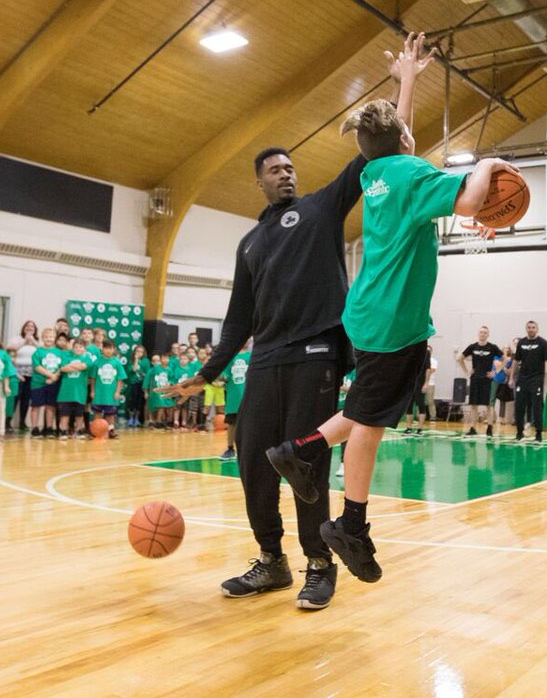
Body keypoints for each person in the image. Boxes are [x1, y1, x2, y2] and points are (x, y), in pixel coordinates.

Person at [160, 33, 432, 610]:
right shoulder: (249, 242)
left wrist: (403, 85)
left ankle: (318, 563)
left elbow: (386, 153)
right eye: (275, 170)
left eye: (290, 167)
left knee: (305, 462)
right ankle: (270, 561)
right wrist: (206, 373)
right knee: (257, 463)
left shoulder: (322, 207)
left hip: (316, 354)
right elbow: (237, 321)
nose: (286, 174)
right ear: (258, 181)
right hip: (264, 362)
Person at [261, 57, 518, 586]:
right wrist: (491, 163)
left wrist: (406, 83)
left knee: (363, 410)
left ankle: (300, 452)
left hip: (370, 311)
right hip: (394, 320)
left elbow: (393, 138)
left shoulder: (378, 171)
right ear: (406, 137)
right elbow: (470, 200)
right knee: (371, 423)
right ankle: (350, 521)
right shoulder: (410, 171)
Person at [512, 321, 547, 443]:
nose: (531, 329)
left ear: (537, 329)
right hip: (522, 379)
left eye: (533, 327)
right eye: (529, 327)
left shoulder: (543, 343)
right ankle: (519, 432)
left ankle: (538, 433)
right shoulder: (521, 342)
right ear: (526, 329)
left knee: (537, 406)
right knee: (519, 406)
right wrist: (511, 378)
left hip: (536, 379)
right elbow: (515, 361)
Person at [459, 327, 502, 437]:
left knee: (489, 406)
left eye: (485, 333)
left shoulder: (492, 347)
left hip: (487, 380)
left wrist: (495, 371)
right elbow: (459, 358)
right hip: (475, 379)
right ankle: (473, 428)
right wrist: (467, 371)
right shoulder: (473, 347)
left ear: (488, 335)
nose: (483, 334)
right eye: (481, 332)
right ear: (478, 334)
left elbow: (505, 358)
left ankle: (490, 428)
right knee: (474, 405)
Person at [220, 342, 252, 461]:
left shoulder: (251, 356)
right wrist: (220, 378)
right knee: (232, 423)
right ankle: (230, 449)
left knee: (249, 424)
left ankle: (247, 449)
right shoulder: (231, 356)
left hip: (248, 395)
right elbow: (224, 374)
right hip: (233, 396)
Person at [55, 339, 90, 440]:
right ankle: (63, 431)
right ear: (73, 348)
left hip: (80, 392)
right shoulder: (67, 357)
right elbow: (63, 368)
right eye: (76, 347)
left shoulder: (87, 358)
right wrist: (75, 367)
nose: (78, 349)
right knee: (65, 413)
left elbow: (84, 366)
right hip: (66, 391)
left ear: (84, 349)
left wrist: (70, 366)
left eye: (81, 347)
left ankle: (79, 430)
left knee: (79, 413)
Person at [91, 340, 126, 438]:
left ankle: (111, 430)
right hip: (99, 393)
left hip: (111, 394)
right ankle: (96, 431)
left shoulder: (117, 362)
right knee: (97, 413)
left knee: (110, 414)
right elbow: (93, 378)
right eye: (106, 348)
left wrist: (117, 392)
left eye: (110, 348)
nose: (108, 350)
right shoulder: (97, 362)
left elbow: (120, 379)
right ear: (102, 349)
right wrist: (93, 391)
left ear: (114, 349)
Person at [13, 321, 39, 431]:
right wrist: (25, 341)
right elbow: (10, 348)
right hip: (18, 372)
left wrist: (33, 341)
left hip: (32, 373)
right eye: (27, 326)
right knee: (15, 397)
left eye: (32, 326)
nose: (29, 328)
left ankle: (22, 421)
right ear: (24, 328)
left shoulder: (37, 341)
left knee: (26, 399)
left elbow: (42, 351)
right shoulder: (18, 339)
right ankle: (8, 420)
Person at [404, 346, 437, 435]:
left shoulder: (426, 353)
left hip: (420, 383)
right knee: (408, 406)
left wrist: (426, 383)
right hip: (410, 382)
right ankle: (409, 427)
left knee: (421, 405)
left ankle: (420, 428)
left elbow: (428, 369)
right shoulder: (409, 351)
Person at [491, 345, 515, 430]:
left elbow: (509, 371)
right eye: (505, 348)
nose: (506, 349)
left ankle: (505, 418)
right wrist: (503, 364)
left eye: (508, 348)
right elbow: (496, 366)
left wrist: (503, 366)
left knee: (505, 400)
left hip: (504, 381)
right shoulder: (497, 357)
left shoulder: (510, 359)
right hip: (495, 380)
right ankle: (494, 417)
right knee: (493, 399)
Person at [126, 345, 148, 428]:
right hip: (133, 383)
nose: (139, 353)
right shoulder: (131, 360)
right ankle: (131, 418)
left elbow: (147, 374)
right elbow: (134, 369)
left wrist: (143, 374)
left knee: (139, 401)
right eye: (137, 351)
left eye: (141, 352)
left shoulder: (146, 361)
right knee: (132, 400)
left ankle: (137, 418)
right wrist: (136, 360)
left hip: (141, 383)